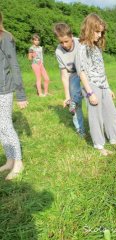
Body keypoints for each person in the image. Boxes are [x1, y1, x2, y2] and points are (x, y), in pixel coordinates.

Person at [75, 13, 116, 156]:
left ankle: (113, 139)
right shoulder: (82, 47)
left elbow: (101, 70)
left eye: (101, 32)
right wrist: (90, 93)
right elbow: (81, 72)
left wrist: (108, 87)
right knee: (96, 117)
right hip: (91, 86)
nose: (100, 35)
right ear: (89, 29)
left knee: (112, 113)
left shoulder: (96, 47)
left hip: (102, 84)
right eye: (97, 31)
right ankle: (99, 146)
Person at [0, 11, 28, 180]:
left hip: (4, 89)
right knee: (0, 128)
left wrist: (21, 95)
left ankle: (18, 162)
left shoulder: (6, 37)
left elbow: (14, 66)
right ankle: (10, 160)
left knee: (6, 126)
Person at [53, 23, 85, 137]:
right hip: (72, 74)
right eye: (61, 42)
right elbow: (64, 74)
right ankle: (80, 130)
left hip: (86, 72)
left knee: (93, 98)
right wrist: (67, 96)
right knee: (75, 105)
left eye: (66, 41)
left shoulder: (81, 43)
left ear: (71, 36)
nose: (64, 45)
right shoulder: (58, 52)